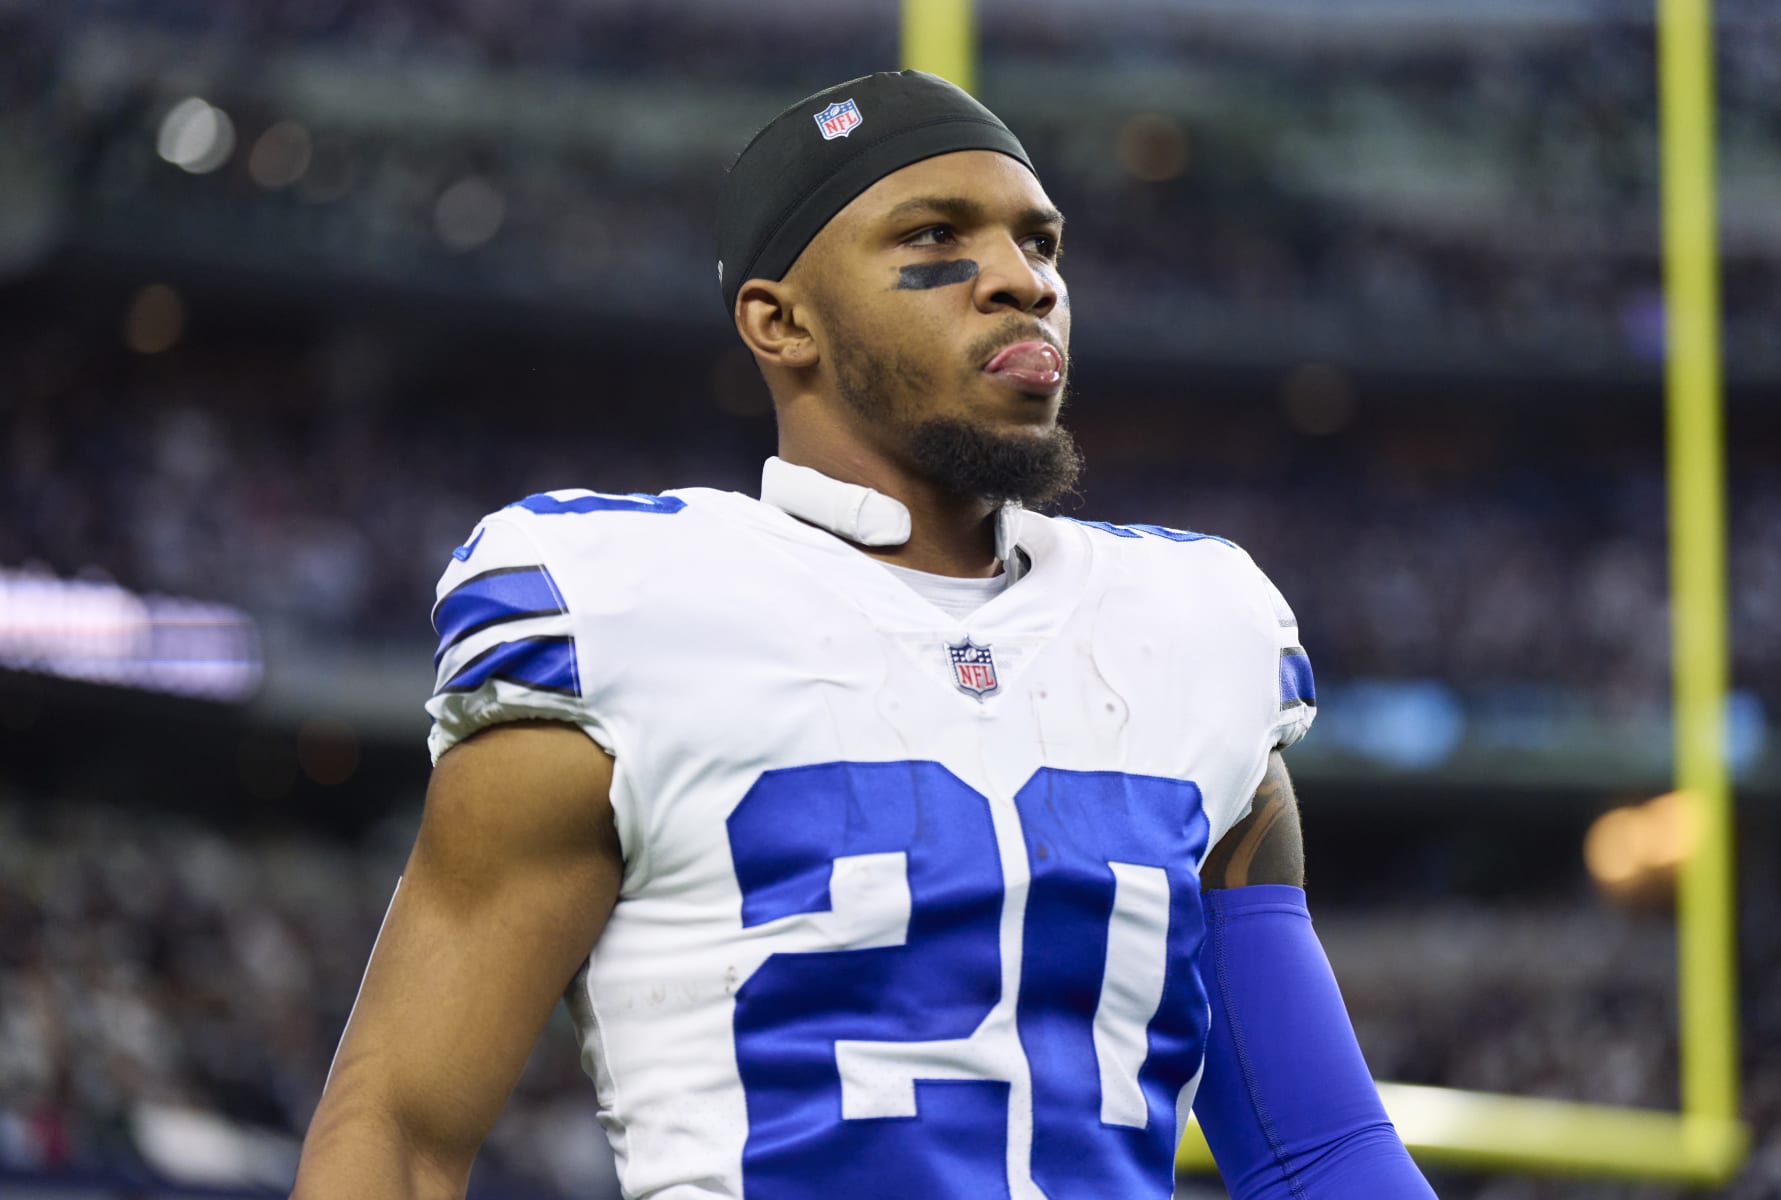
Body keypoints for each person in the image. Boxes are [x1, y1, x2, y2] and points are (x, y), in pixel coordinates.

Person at [293, 71, 1435, 1200]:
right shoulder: (628, 610)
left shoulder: (1195, 626)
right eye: (938, 235)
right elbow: (397, 1133)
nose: (1019, 281)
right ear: (779, 322)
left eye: (1041, 244)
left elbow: (1316, 1152)